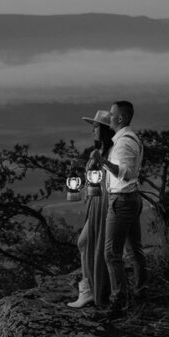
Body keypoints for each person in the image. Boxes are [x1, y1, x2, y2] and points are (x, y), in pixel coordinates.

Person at [90, 100, 147, 313]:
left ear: (120, 118)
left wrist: (101, 161)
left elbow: (125, 172)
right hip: (131, 198)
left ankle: (118, 301)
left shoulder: (123, 143)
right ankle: (140, 292)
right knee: (134, 250)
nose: (108, 117)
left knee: (111, 254)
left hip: (122, 201)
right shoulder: (128, 139)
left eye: (112, 114)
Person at [67, 109, 114, 309]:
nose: (92, 131)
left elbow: (110, 178)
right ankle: (89, 289)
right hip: (95, 202)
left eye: (95, 127)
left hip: (104, 204)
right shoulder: (99, 152)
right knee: (86, 244)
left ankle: (93, 291)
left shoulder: (110, 153)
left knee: (86, 243)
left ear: (104, 129)